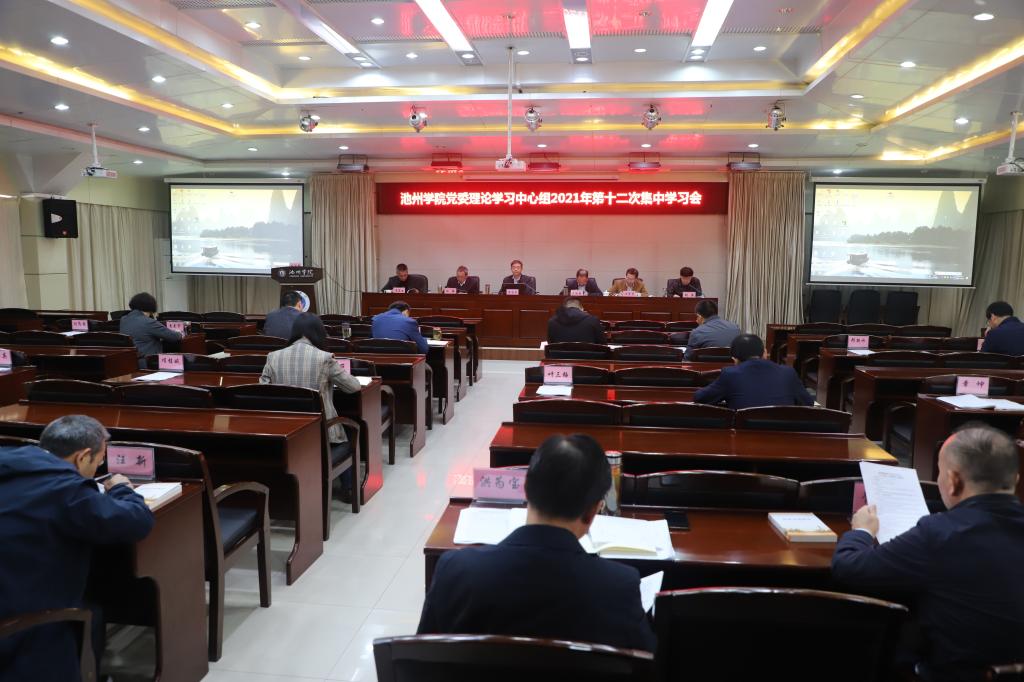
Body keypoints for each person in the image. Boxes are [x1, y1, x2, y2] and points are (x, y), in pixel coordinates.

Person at [418, 434, 656, 652]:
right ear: (593, 511)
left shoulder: (455, 571)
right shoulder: (618, 588)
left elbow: (420, 661)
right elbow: (646, 666)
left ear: (525, 488)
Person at [832, 424, 1024, 680]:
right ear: (1015, 480)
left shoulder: (940, 534)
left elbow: (848, 566)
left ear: (953, 481)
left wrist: (862, 531)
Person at [0, 415, 154, 682]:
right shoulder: (66, 490)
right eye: (98, 461)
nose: (97, 468)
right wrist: (122, 490)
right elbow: (136, 522)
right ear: (82, 457)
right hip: (18, 624)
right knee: (92, 611)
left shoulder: (10, 462)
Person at [260, 314, 362, 496]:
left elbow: (263, 390)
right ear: (318, 333)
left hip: (286, 430)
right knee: (345, 434)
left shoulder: (273, 357)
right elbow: (353, 387)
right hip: (321, 431)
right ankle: (348, 490)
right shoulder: (325, 358)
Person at [693, 333, 812, 409]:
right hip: (784, 435)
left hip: (743, 436)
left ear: (735, 359)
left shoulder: (730, 374)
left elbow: (700, 398)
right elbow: (808, 402)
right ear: (765, 353)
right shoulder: (788, 372)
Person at [118, 292, 182, 367]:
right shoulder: (148, 322)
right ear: (151, 306)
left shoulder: (123, 319)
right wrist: (180, 332)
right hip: (147, 363)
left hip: (129, 362)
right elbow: (174, 337)